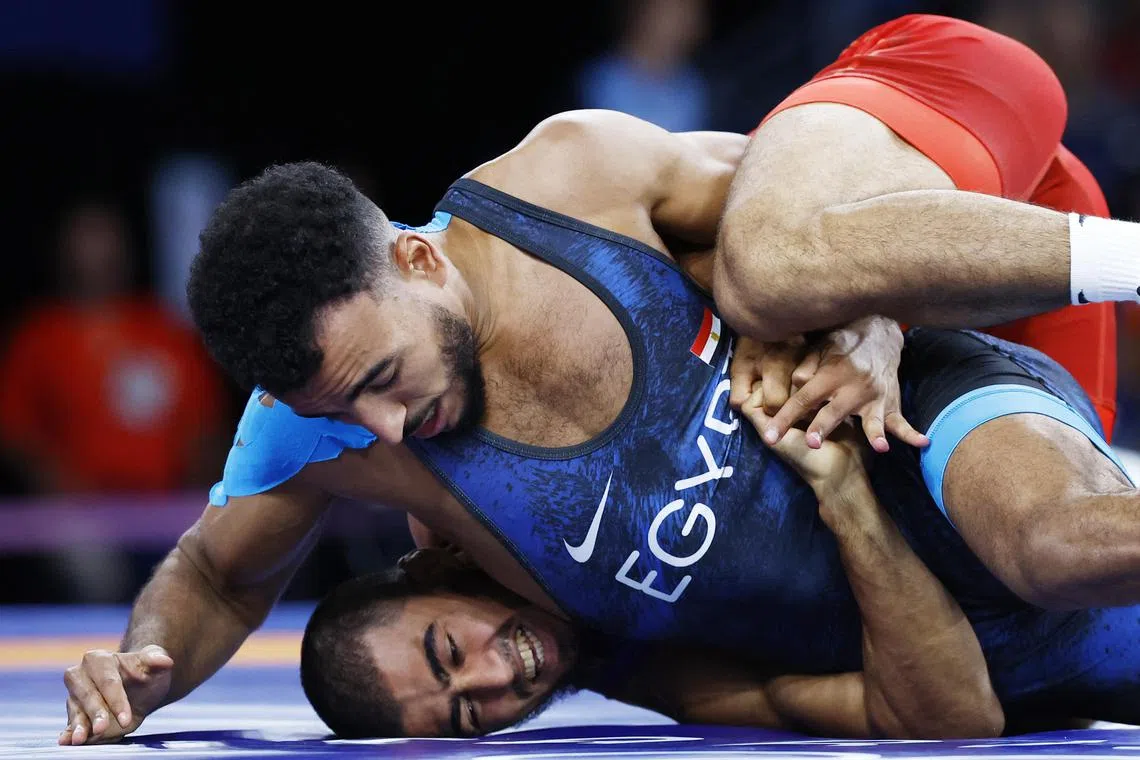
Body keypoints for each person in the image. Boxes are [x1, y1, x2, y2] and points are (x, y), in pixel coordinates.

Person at [57, 13, 1138, 745]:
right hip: (973, 449)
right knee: (1051, 554)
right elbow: (216, 575)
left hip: (963, 138)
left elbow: (834, 209)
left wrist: (872, 319)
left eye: (381, 375)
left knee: (771, 269)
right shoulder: (334, 433)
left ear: (420, 257)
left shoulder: (569, 184)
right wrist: (139, 668)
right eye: (342, 412)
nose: (386, 425)